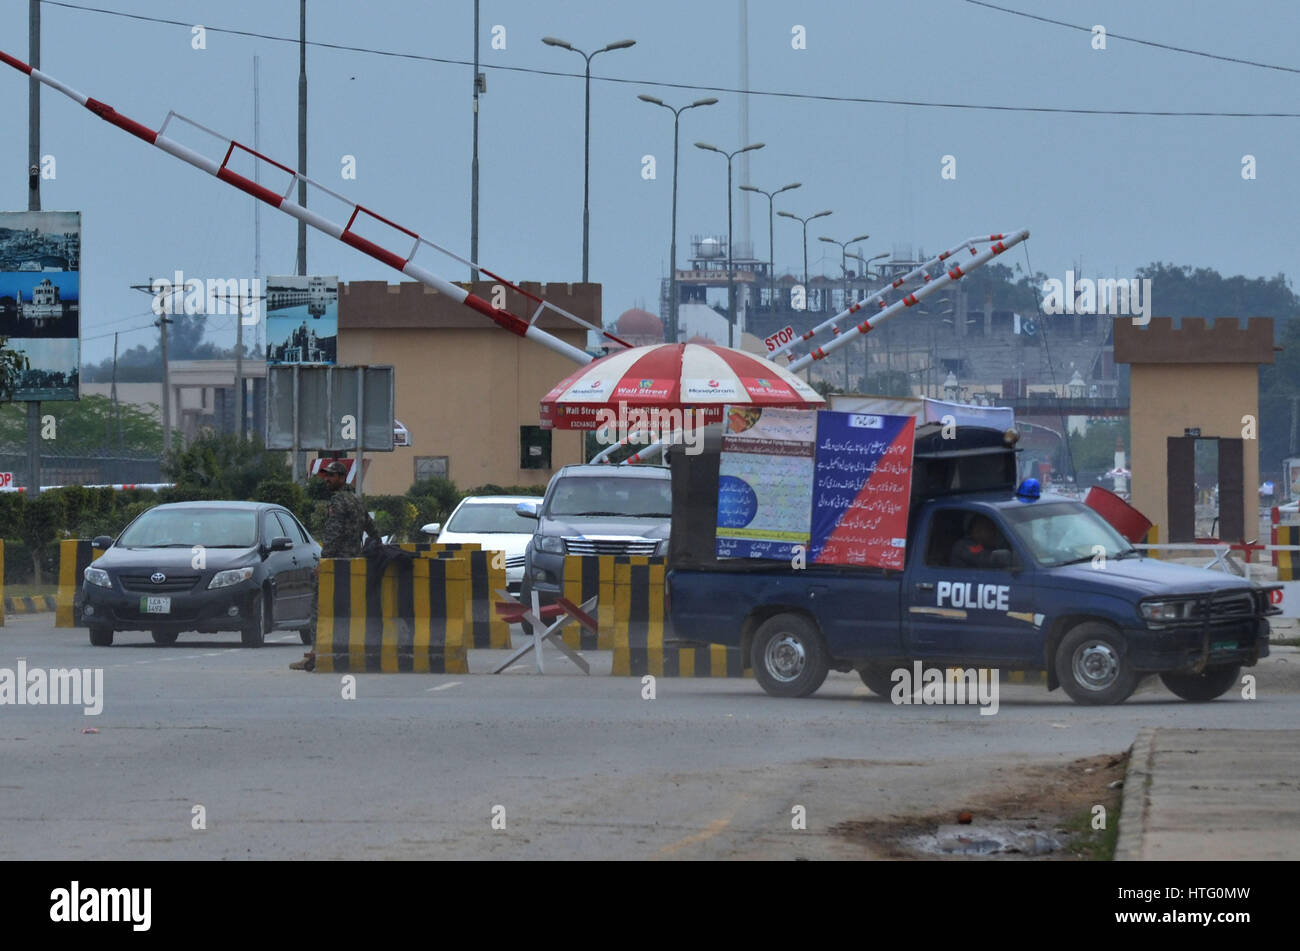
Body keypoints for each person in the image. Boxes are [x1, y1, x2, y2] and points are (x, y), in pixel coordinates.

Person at [318, 460, 378, 558]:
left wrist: (324, 560)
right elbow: (372, 529)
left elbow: (333, 532)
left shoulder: (338, 500)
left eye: (331, 476)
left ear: (342, 478)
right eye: (326, 476)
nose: (326, 479)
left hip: (339, 561)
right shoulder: (356, 499)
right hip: (356, 560)